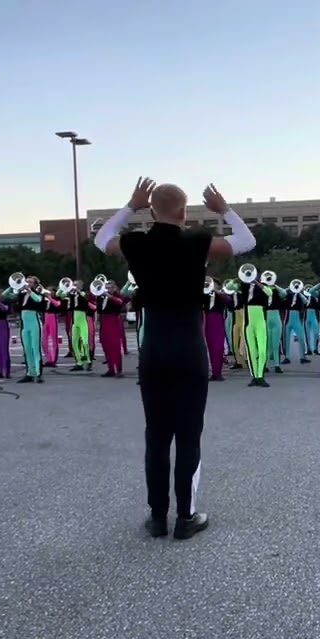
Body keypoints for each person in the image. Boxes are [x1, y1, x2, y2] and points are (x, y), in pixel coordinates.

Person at [94, 178, 256, 540]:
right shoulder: (197, 241)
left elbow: (102, 239)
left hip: (154, 349)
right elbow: (246, 242)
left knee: (156, 435)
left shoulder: (136, 242)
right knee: (188, 435)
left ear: (152, 210)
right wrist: (224, 208)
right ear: (184, 212)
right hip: (189, 349)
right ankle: (187, 516)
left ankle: (156, 517)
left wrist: (130, 205)